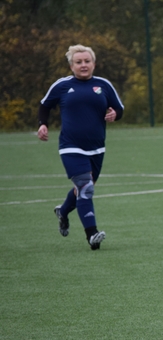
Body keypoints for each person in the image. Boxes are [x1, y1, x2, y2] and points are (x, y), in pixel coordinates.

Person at [37, 44, 124, 250]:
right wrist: (43, 124)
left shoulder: (103, 84)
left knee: (82, 188)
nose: (83, 65)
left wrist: (114, 115)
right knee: (86, 187)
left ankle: (64, 211)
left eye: (87, 61)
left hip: (96, 148)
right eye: (79, 62)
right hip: (70, 146)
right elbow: (44, 105)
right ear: (71, 65)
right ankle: (92, 234)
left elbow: (119, 108)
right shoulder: (62, 85)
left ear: (93, 64)